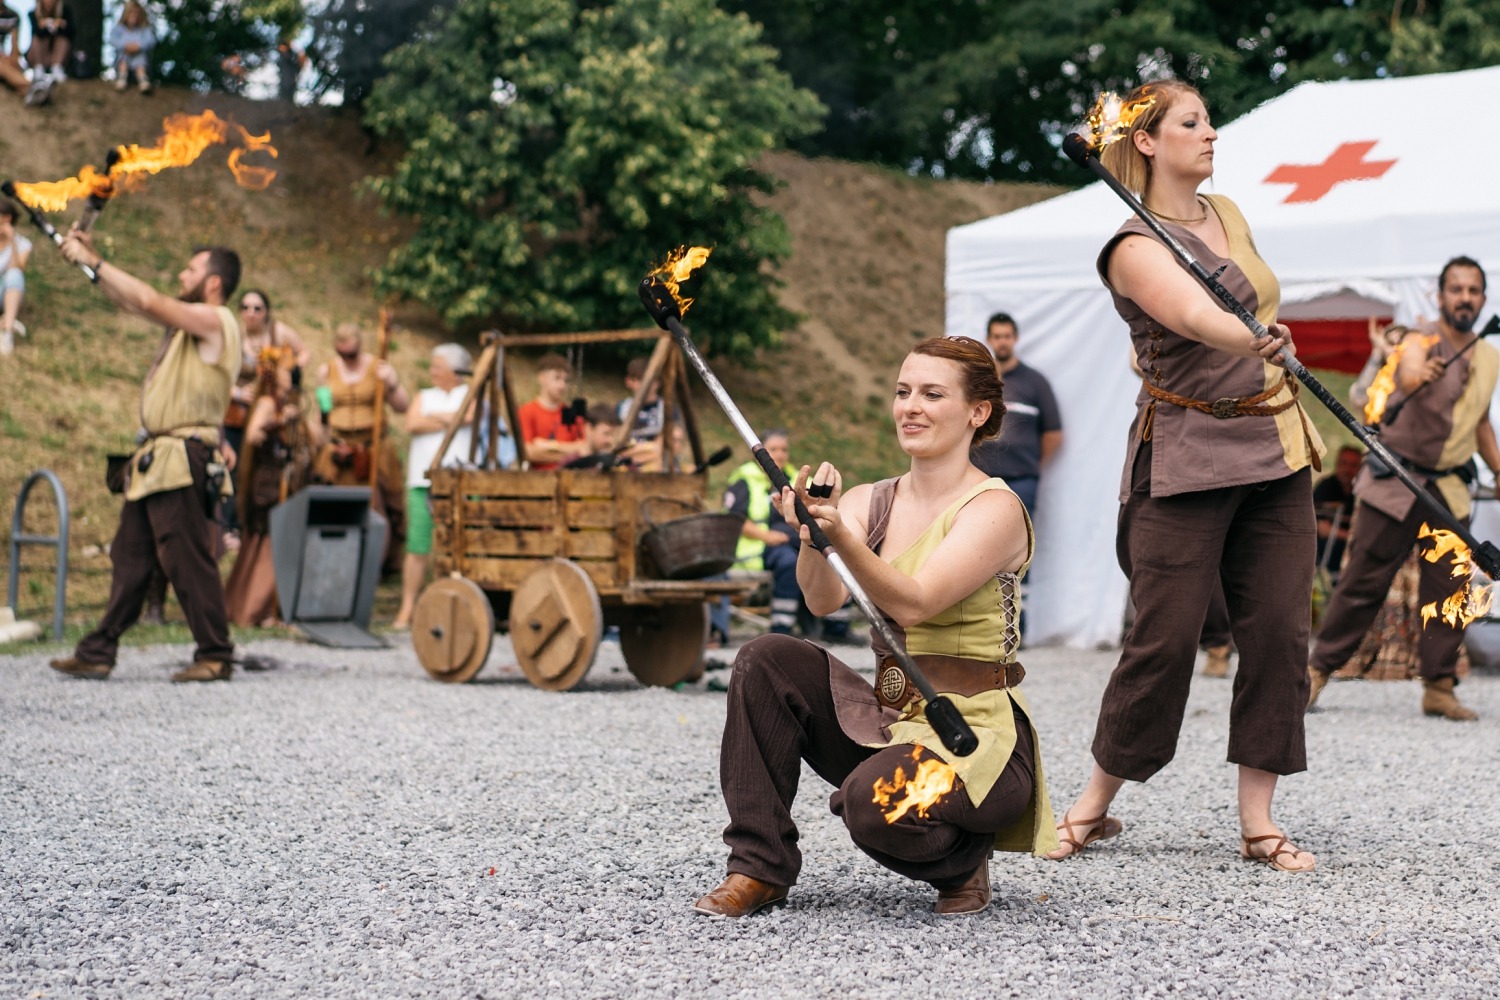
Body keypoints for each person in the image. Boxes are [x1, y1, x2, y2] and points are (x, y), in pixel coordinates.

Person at [1045, 80, 1323, 873]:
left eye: (1209, 121)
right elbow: (1197, 317)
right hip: (1188, 452)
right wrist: (1250, 337)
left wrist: (1269, 340)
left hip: (1275, 447)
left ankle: (1259, 822)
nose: (1210, 134)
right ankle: (1093, 806)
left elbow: (1252, 299)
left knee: (1277, 631)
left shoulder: (1229, 213)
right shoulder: (1131, 246)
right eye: (1191, 123)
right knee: (1162, 639)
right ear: (1147, 141)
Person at [694, 336, 1057, 919]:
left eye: (932, 394)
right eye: (903, 391)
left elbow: (915, 603)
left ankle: (962, 860)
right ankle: (757, 868)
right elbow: (822, 598)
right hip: (891, 722)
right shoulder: (870, 500)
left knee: (872, 805)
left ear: (977, 412)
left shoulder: (995, 509)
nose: (910, 406)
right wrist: (816, 537)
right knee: (764, 658)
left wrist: (839, 537)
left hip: (973, 740)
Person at [1308, 257, 1499, 721]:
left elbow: (1478, 422)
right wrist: (1419, 375)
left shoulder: (1489, 356)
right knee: (1362, 583)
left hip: (1449, 491)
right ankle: (1314, 673)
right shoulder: (1420, 339)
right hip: (1395, 479)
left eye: (1473, 290)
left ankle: (1438, 685)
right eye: (1456, 289)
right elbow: (1409, 372)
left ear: (1483, 299)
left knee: (1449, 591)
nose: (1465, 298)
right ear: (1440, 296)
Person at [48, 233, 243, 682]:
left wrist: (95, 258)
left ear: (213, 282)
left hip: (180, 457)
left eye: (190, 270)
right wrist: (92, 267)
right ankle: (98, 650)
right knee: (131, 553)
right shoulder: (189, 327)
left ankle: (216, 653)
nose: (182, 274)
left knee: (185, 556)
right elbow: (134, 303)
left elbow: (151, 300)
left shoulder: (216, 321)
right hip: (159, 460)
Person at [223, 349, 319, 627]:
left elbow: (316, 439)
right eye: (288, 371)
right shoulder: (268, 403)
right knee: (265, 543)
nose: (293, 376)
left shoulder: (294, 402)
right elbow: (253, 435)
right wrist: (279, 422)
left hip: (289, 481)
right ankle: (257, 609)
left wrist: (316, 416)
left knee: (280, 543)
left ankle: (274, 607)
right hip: (267, 482)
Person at [393, 343, 477, 629]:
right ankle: (407, 609)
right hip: (421, 479)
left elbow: (469, 417)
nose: (432, 371)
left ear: (455, 370)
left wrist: (435, 418)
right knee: (417, 546)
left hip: (458, 480)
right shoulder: (425, 395)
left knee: (457, 546)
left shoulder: (471, 394)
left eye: (437, 366)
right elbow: (412, 423)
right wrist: (448, 419)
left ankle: (455, 608)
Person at [314, 322, 409, 567]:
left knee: (376, 505)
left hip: (371, 447)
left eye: (352, 354)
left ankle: (375, 562)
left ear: (360, 346)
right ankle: (339, 559)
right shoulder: (327, 371)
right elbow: (322, 413)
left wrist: (392, 382)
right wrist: (322, 441)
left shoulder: (377, 368)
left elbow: (402, 406)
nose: (347, 358)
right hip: (339, 447)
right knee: (334, 504)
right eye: (342, 354)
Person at [970, 313, 1063, 518]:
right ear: (988, 340)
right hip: (976, 479)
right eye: (997, 336)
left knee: (1016, 546)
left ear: (1015, 338)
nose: (1002, 342)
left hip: (1021, 481)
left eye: (1007, 336)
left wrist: (1031, 464)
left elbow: (1053, 434)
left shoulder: (1035, 382)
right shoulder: (978, 382)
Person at [724, 430, 804, 636]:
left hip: (797, 541)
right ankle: (781, 628)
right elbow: (737, 520)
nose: (780, 454)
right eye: (773, 449)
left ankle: (835, 628)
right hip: (762, 547)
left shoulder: (795, 479)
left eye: (784, 450)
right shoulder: (745, 479)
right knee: (788, 562)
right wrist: (768, 537)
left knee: (830, 558)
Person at [517, 353, 589, 470]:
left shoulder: (572, 413)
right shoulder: (526, 411)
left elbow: (584, 448)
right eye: (557, 378)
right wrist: (569, 452)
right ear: (542, 378)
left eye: (566, 381)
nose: (562, 385)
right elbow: (528, 453)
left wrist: (546, 446)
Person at [562, 403, 657, 471]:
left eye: (613, 435)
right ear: (589, 428)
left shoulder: (620, 465)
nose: (610, 440)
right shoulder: (570, 464)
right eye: (606, 434)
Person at [1313, 445, 1360, 580]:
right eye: (1344, 463)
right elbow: (1323, 529)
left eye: (1353, 465)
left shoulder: (1358, 493)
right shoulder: (1326, 487)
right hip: (1325, 549)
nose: (1347, 470)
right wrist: (1353, 537)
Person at [0, 200, 30, 356]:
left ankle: (7, 330)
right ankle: (5, 322)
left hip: (6, 292)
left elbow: (17, 268)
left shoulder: (23, 244)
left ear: (7, 219)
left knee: (15, 274)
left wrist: (11, 241)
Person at [26, 0, 71, 98]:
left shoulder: (65, 12)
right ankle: (38, 69)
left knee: (62, 39)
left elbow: (70, 34)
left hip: (57, 56)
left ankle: (57, 68)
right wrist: (45, 26)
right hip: (38, 55)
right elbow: (37, 34)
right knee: (38, 38)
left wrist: (60, 25)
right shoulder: (33, 14)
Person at [109, 1, 155, 93]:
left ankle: (142, 79)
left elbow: (151, 41)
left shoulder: (144, 30)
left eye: (137, 13)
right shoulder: (119, 28)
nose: (134, 16)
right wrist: (125, 46)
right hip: (124, 57)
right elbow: (112, 40)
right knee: (123, 57)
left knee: (140, 58)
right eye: (131, 13)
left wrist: (139, 47)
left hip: (139, 59)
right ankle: (122, 78)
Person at [616, 355, 665, 441]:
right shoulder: (622, 407)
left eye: (650, 381)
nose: (645, 385)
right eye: (640, 380)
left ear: (658, 383)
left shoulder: (666, 408)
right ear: (628, 382)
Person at [0, 3, 28, 97]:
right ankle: (31, 86)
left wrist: (13, 60)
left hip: (4, 59)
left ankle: (29, 91)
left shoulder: (12, 16)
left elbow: (15, 44)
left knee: (9, 63)